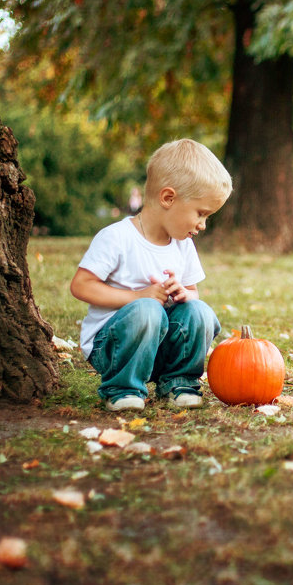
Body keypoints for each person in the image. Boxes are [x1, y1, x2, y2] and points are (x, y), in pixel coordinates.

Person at [70, 139, 232, 411]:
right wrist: (138, 296)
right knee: (147, 310)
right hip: (113, 348)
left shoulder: (182, 244)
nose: (203, 225)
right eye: (201, 214)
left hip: (159, 348)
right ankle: (122, 388)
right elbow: (81, 286)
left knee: (199, 310)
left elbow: (194, 292)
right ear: (168, 198)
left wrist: (184, 293)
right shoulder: (118, 238)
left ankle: (179, 382)